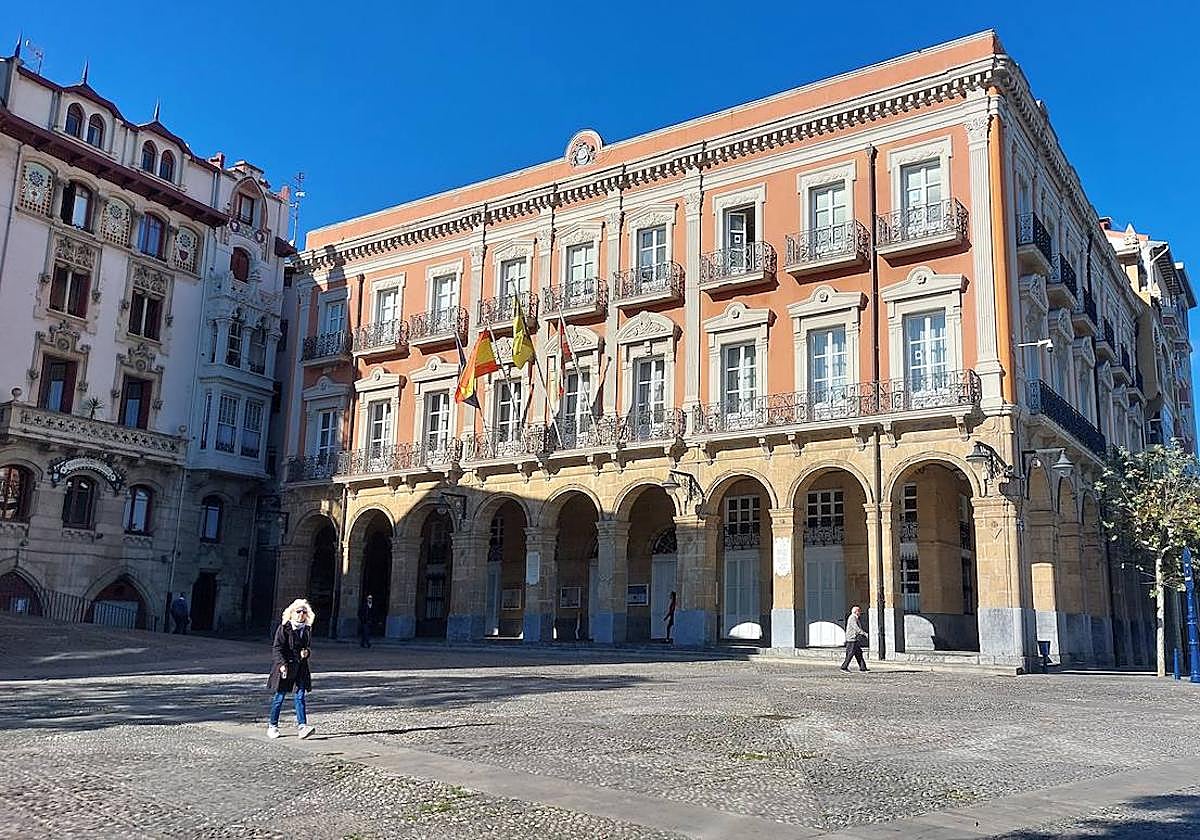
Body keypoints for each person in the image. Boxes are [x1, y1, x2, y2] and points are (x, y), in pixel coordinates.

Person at [267, 598, 316, 740]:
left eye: (304, 612)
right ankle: (273, 725)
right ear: (291, 613)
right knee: (279, 697)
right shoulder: (284, 628)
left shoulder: (306, 629)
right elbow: (277, 648)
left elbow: (305, 647)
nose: (301, 614)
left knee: (300, 696)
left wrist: (306, 652)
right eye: (298, 611)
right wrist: (281, 664)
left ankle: (302, 727)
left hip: (300, 668)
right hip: (285, 667)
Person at [840, 604, 869, 672]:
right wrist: (864, 633)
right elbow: (856, 628)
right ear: (856, 612)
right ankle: (844, 667)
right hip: (851, 639)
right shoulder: (852, 618)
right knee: (850, 654)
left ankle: (863, 668)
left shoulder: (855, 618)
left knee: (859, 654)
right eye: (859, 611)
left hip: (855, 639)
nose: (860, 613)